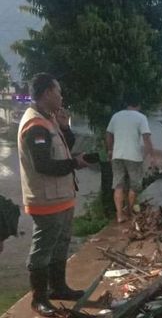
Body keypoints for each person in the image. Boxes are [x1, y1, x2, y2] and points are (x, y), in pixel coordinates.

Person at [17, 73, 89, 316]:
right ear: (47, 92)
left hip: (62, 198)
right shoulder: (35, 124)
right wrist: (75, 164)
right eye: (58, 91)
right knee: (43, 248)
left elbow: (65, 148)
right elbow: (44, 165)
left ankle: (59, 288)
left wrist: (65, 127)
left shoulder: (47, 120)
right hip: (45, 200)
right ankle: (38, 298)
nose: (61, 96)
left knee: (61, 244)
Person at [106, 97, 154, 223]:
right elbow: (146, 138)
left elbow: (109, 134)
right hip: (134, 156)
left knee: (118, 185)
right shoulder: (141, 117)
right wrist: (150, 155)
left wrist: (110, 150)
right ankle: (130, 212)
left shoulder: (116, 116)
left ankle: (119, 216)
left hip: (117, 155)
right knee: (134, 185)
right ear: (139, 105)